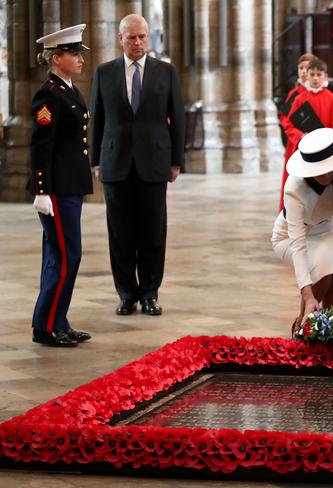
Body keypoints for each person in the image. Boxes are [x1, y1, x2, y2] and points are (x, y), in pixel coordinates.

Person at [91, 14, 185, 316]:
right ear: (120, 39)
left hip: (155, 162)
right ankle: (126, 293)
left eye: (142, 37)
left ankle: (149, 293)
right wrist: (95, 159)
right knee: (120, 234)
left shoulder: (166, 72)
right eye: (131, 37)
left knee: (153, 232)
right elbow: (98, 119)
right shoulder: (103, 73)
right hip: (115, 161)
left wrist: (176, 161)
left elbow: (177, 119)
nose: (138, 42)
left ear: (149, 37)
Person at [28, 24, 93, 347]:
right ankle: (46, 327)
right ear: (56, 58)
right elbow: (42, 145)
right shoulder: (48, 94)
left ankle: (57, 321)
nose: (80, 59)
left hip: (68, 186)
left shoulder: (67, 89)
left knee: (62, 255)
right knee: (66, 256)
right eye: (74, 54)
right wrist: (41, 191)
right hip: (56, 189)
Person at [272, 128, 333, 334]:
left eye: (330, 167)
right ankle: (303, 327)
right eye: (321, 168)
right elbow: (298, 244)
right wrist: (308, 294)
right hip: (291, 236)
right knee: (322, 275)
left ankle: (324, 328)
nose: (328, 173)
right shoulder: (293, 189)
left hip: (330, 226)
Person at [281, 58, 333, 209]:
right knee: (304, 187)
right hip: (306, 149)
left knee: (325, 187)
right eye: (312, 74)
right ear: (307, 76)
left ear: (325, 76)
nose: (315, 78)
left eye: (319, 74)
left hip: (325, 150)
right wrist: (301, 136)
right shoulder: (300, 99)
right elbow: (289, 124)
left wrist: (325, 140)